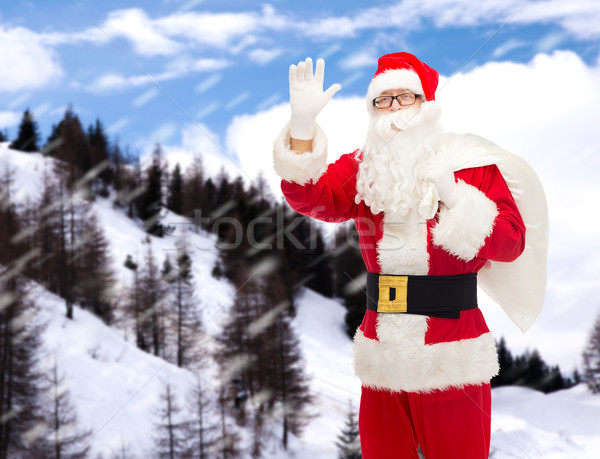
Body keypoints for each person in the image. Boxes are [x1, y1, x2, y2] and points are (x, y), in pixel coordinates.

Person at [272, 52, 548, 458]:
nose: (393, 109)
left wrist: (456, 198)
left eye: (405, 97)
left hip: (452, 354)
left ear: (427, 103)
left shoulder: (470, 164)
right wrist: (301, 127)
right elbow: (312, 198)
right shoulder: (364, 168)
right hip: (382, 354)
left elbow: (510, 242)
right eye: (383, 100)